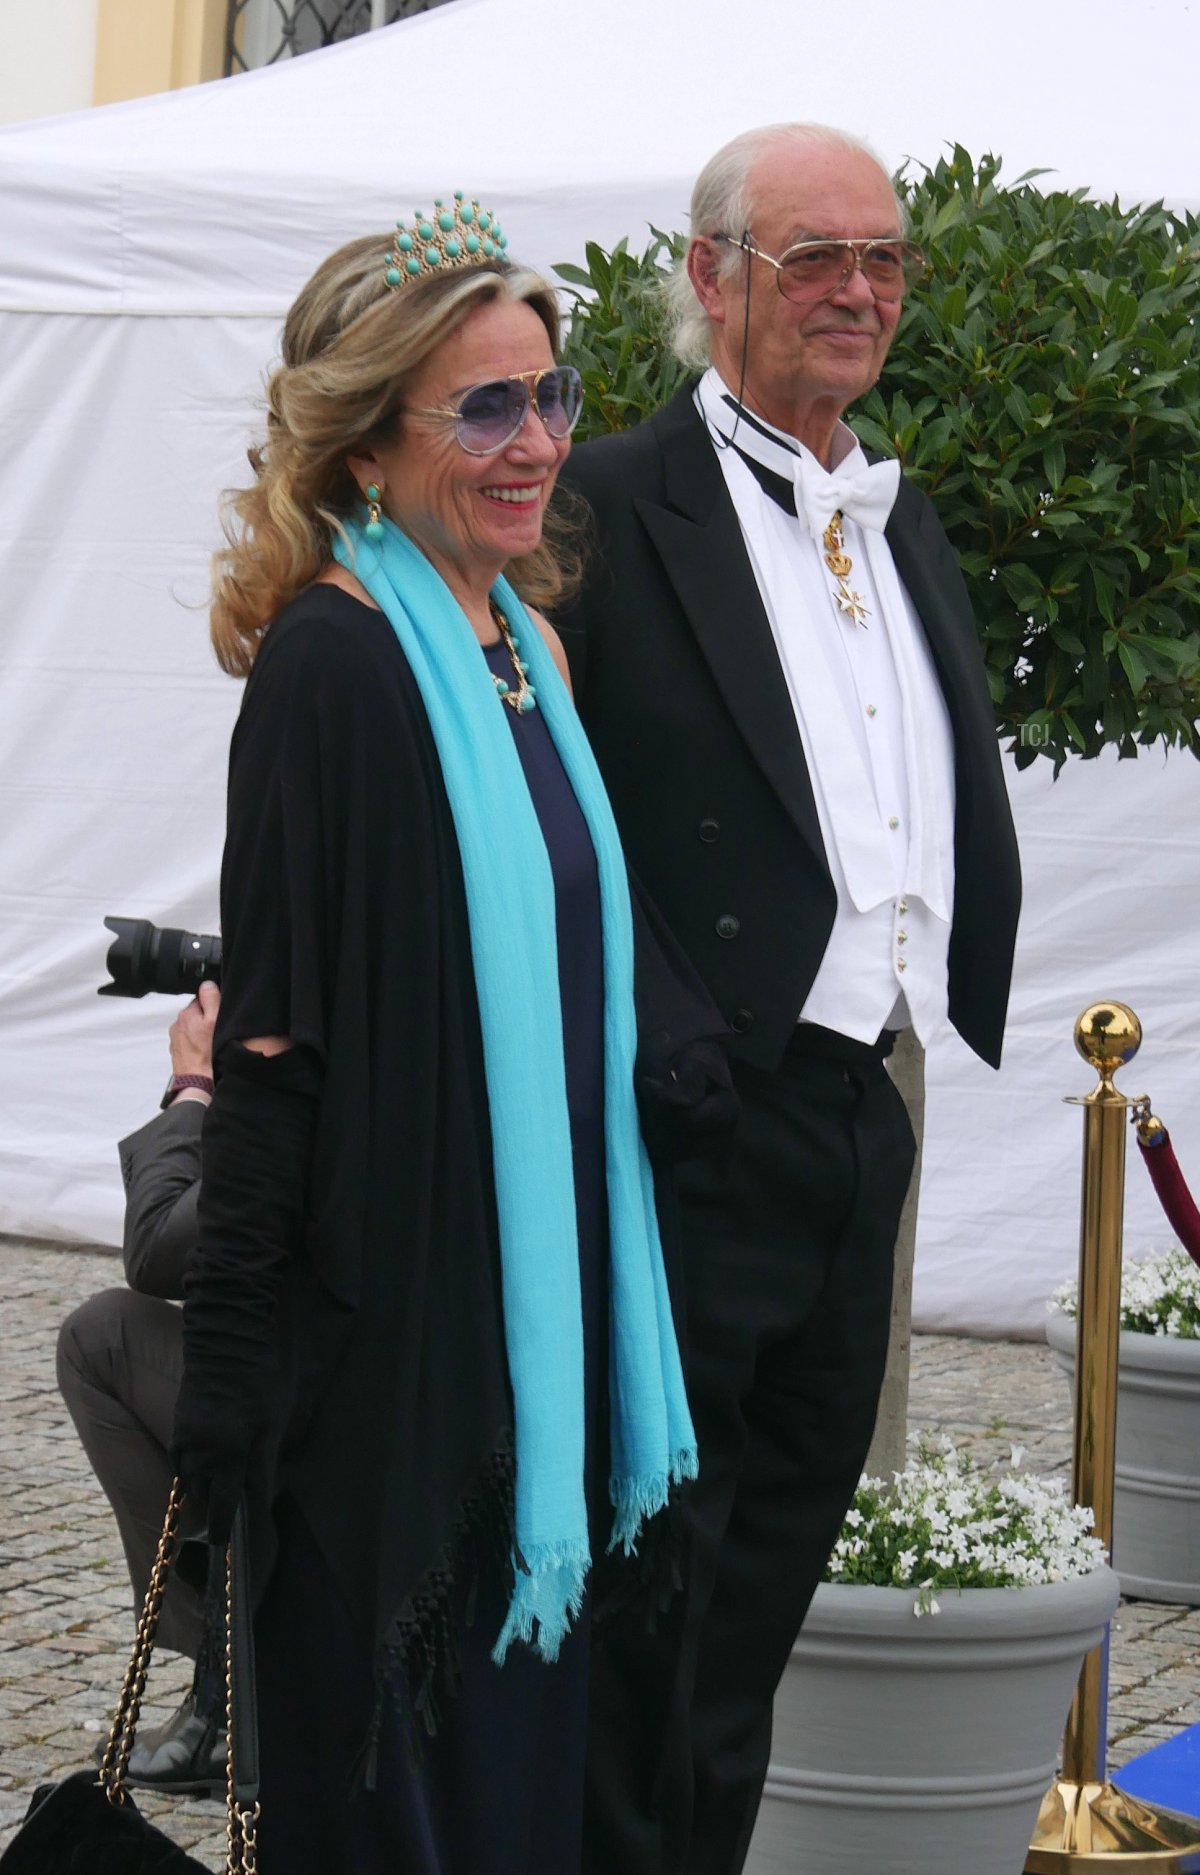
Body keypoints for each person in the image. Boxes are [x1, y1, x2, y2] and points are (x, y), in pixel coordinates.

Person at [167, 198, 725, 1875]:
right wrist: (232, 1388)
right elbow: (278, 1049)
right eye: (486, 406)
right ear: (365, 437)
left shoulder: (528, 654)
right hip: (392, 1364)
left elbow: (586, 962)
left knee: (511, 1797)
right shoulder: (330, 670)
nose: (539, 441)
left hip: (534, 1334)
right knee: (393, 1808)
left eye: (552, 395)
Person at [556, 123, 1022, 1875]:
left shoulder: (898, 522)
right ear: (711, 276)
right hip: (683, 1130)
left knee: (757, 1607)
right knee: (646, 1602)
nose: (855, 289)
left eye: (882, 259)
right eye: (811, 255)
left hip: (856, 1120)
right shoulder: (601, 503)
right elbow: (545, 826)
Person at [57, 983, 227, 1792]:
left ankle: (230, 1693)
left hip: (329, 1407)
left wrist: (194, 1085)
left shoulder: (311, 1062)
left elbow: (161, 1249)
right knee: (107, 1331)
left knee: (101, 1340)